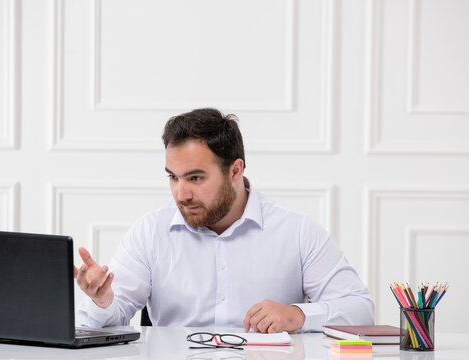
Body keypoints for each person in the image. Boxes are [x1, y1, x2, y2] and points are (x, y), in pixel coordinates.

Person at [75, 108, 374, 333]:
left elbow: (360, 311)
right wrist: (102, 301)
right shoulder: (150, 232)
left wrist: (298, 315)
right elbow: (109, 320)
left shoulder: (296, 231)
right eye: (173, 177)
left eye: (195, 177)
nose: (182, 193)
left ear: (235, 170)